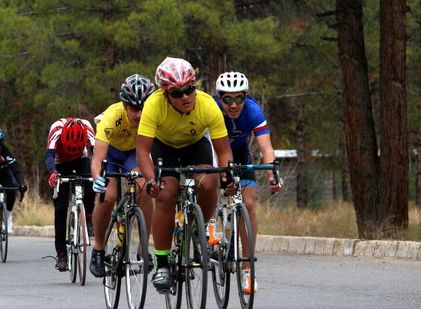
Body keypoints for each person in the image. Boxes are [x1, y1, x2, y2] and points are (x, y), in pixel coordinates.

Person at [136, 57, 233, 293]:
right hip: (164, 147)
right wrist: (151, 180)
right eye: (178, 93)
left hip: (195, 146)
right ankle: (161, 263)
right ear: (166, 94)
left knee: (209, 182)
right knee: (166, 195)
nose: (186, 97)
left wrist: (228, 178)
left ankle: (199, 233)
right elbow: (142, 151)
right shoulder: (153, 104)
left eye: (190, 90)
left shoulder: (208, 105)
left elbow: (223, 151)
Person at [213, 71, 283, 293]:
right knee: (208, 184)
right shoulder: (211, 109)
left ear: (246, 97)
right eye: (227, 99)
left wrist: (273, 173)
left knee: (249, 203)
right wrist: (220, 177)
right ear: (219, 98)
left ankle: (247, 267)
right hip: (213, 150)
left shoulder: (253, 110)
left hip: (240, 152)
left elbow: (266, 147)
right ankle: (209, 224)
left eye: (239, 99)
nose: (234, 105)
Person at [89, 74, 156, 277]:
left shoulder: (154, 115)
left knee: (144, 187)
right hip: (111, 154)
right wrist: (97, 178)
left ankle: (144, 249)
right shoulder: (111, 117)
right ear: (125, 105)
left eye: (144, 107)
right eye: (135, 108)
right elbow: (97, 160)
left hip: (135, 155)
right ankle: (99, 248)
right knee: (107, 197)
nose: (139, 114)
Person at [45, 117, 95, 272]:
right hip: (60, 162)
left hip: (81, 159)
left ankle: (88, 217)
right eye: (69, 147)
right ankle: (61, 255)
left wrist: (101, 174)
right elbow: (49, 156)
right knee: (60, 208)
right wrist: (53, 172)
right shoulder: (56, 129)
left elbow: (97, 154)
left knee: (93, 181)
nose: (71, 151)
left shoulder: (88, 128)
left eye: (74, 148)